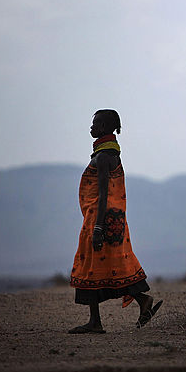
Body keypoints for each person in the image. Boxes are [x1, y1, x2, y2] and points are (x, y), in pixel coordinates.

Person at [68, 109, 162, 334]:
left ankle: (95, 322)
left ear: (105, 128)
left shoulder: (102, 157)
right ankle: (142, 301)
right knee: (112, 265)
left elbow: (103, 193)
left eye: (96, 124)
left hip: (99, 220)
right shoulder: (112, 154)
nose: (92, 128)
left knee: (90, 266)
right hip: (114, 220)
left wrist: (98, 227)